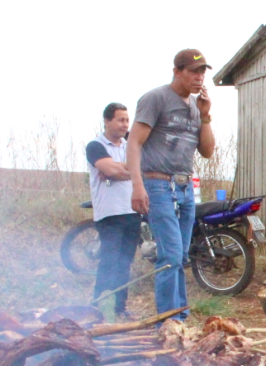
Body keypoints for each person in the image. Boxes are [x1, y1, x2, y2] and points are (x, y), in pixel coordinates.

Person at [127, 49, 216, 319]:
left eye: (202, 72)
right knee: (170, 256)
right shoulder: (156, 98)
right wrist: (137, 186)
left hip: (185, 187)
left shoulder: (196, 106)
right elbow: (134, 142)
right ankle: (168, 322)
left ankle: (179, 316)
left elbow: (208, 151)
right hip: (158, 185)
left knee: (180, 257)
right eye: (193, 71)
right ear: (177, 71)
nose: (199, 77)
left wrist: (205, 116)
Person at [86, 102, 140, 320]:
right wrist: (133, 169)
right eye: (120, 120)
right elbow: (109, 169)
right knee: (109, 261)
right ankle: (97, 306)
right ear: (107, 121)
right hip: (109, 214)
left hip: (132, 210)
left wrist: (123, 169)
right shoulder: (95, 146)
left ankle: (120, 308)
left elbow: (132, 167)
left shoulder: (131, 145)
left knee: (125, 262)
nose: (125, 125)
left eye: (127, 120)